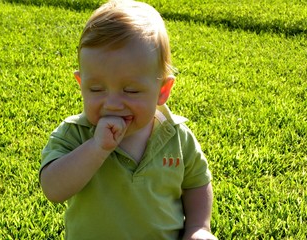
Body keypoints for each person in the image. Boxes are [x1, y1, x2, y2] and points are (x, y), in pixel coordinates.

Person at [40, 0, 217, 239]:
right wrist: (96, 147)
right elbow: (53, 189)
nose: (112, 103)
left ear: (162, 91)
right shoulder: (75, 133)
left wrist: (199, 227)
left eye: (131, 91)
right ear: (81, 85)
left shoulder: (175, 135)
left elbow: (196, 182)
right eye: (96, 89)